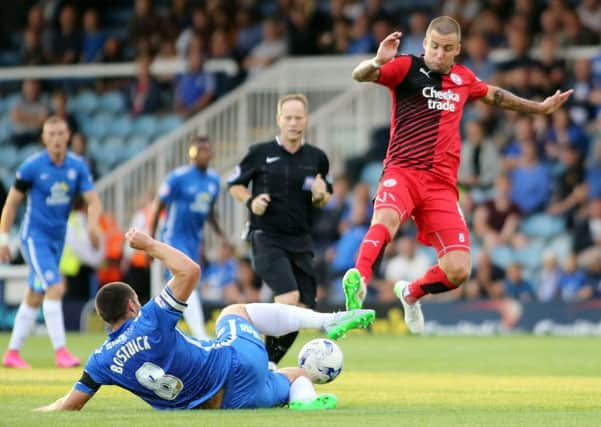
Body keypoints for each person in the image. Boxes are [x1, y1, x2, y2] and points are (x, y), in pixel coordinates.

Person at [343, 16, 573, 333]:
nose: (438, 53)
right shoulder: (405, 67)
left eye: (446, 48)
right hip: (403, 171)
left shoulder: (463, 79)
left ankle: (410, 293)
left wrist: (539, 108)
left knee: (458, 271)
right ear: (425, 44)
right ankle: (359, 283)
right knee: (385, 221)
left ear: (457, 50)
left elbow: (495, 95)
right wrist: (376, 61)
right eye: (434, 46)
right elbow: (360, 76)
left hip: (440, 187)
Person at [35, 228, 375, 412]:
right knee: (233, 312)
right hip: (234, 366)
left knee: (289, 375)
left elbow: (71, 404)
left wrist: (42, 412)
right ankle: (325, 321)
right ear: (132, 306)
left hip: (227, 405)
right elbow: (190, 271)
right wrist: (149, 244)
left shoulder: (101, 361)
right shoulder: (149, 321)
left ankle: (304, 401)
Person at [228, 93, 333, 367]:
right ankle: (258, 361)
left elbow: (324, 196)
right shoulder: (260, 153)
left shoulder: (317, 158)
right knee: (288, 298)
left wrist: (321, 196)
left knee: (302, 309)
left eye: (299, 117)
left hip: (301, 240)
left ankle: (266, 363)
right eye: (288, 117)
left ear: (306, 120)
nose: (294, 123)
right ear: (279, 120)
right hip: (266, 237)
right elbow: (235, 185)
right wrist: (251, 201)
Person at [1, 116, 102, 368]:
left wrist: (92, 225)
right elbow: (11, 204)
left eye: (60, 133)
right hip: (34, 237)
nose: (56, 138)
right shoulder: (31, 167)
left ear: (68, 136)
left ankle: (12, 353)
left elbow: (93, 201)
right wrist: (3, 239)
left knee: (35, 295)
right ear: (44, 138)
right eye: (51, 134)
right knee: (55, 288)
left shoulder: (77, 166)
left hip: (57, 238)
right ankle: (61, 353)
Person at [149, 136, 224, 340]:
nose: (203, 154)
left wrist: (220, 235)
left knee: (178, 284)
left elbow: (208, 212)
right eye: (199, 150)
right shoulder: (178, 177)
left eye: (207, 150)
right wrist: (151, 241)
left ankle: (155, 328)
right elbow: (158, 206)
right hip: (174, 237)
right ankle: (199, 333)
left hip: (193, 240)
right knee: (188, 279)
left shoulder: (214, 181)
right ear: (190, 153)